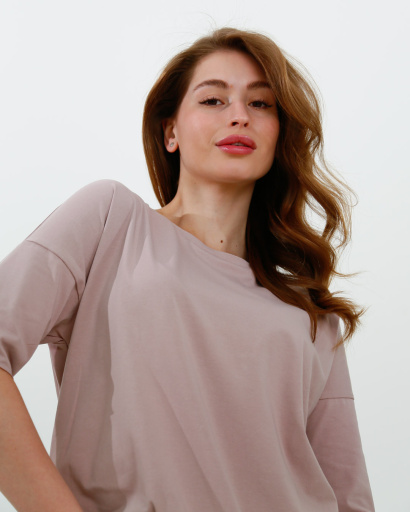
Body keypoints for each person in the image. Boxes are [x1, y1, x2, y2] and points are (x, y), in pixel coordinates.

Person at [0, 27, 375, 512]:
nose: (239, 115)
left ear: (279, 134)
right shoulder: (111, 220)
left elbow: (347, 494)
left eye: (261, 104)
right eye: (213, 100)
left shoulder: (309, 310)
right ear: (170, 132)